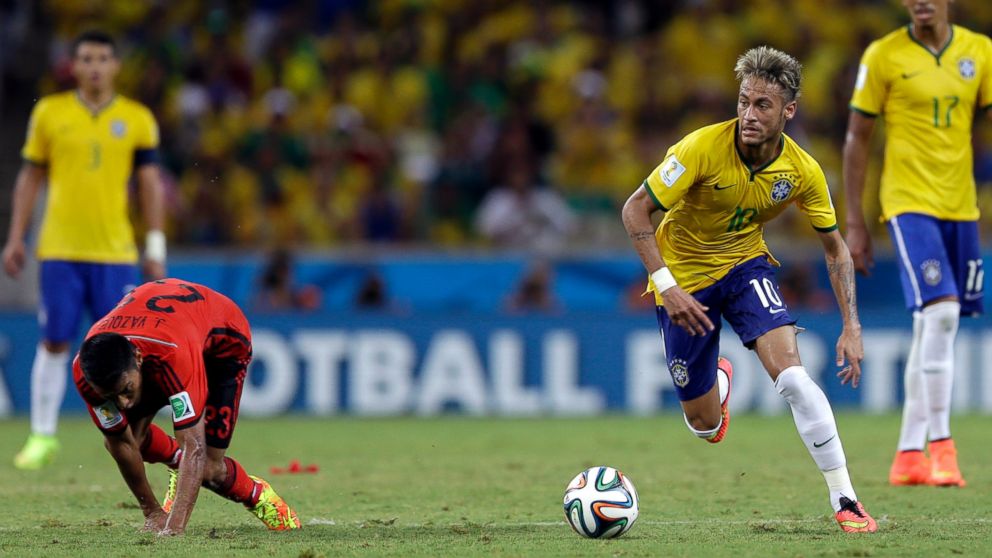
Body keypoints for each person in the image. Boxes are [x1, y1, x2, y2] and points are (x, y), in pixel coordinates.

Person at [622, 46, 877, 533]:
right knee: (705, 425)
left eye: (763, 105)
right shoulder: (699, 148)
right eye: (744, 101)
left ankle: (845, 498)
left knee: (796, 380)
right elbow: (635, 210)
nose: (749, 115)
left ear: (789, 111)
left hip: (745, 268)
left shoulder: (802, 172)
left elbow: (836, 249)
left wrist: (852, 326)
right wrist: (666, 286)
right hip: (683, 281)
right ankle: (716, 384)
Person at [2, 30, 167, 470]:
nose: (95, 66)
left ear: (115, 66)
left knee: (125, 346)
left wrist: (154, 242)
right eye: (86, 59)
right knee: (54, 341)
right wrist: (16, 236)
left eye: (103, 58)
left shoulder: (137, 118)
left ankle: (137, 430)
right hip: (59, 249)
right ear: (73, 66)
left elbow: (149, 184)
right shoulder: (51, 114)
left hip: (114, 252)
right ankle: (42, 436)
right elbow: (30, 177)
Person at [843, 0, 988, 488]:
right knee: (942, 312)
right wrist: (856, 222)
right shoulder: (882, 55)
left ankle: (907, 455)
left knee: (931, 322)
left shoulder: (981, 52)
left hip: (962, 206)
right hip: (907, 203)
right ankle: (942, 447)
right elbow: (857, 138)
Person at [73, 279, 301, 535]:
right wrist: (153, 513)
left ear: (138, 359)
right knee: (130, 440)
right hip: (172, 331)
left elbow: (194, 446)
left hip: (222, 342)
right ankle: (178, 466)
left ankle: (260, 497)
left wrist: (173, 528)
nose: (123, 404)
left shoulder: (172, 357)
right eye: (111, 397)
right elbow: (121, 443)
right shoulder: (85, 374)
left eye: (126, 390)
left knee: (209, 469)